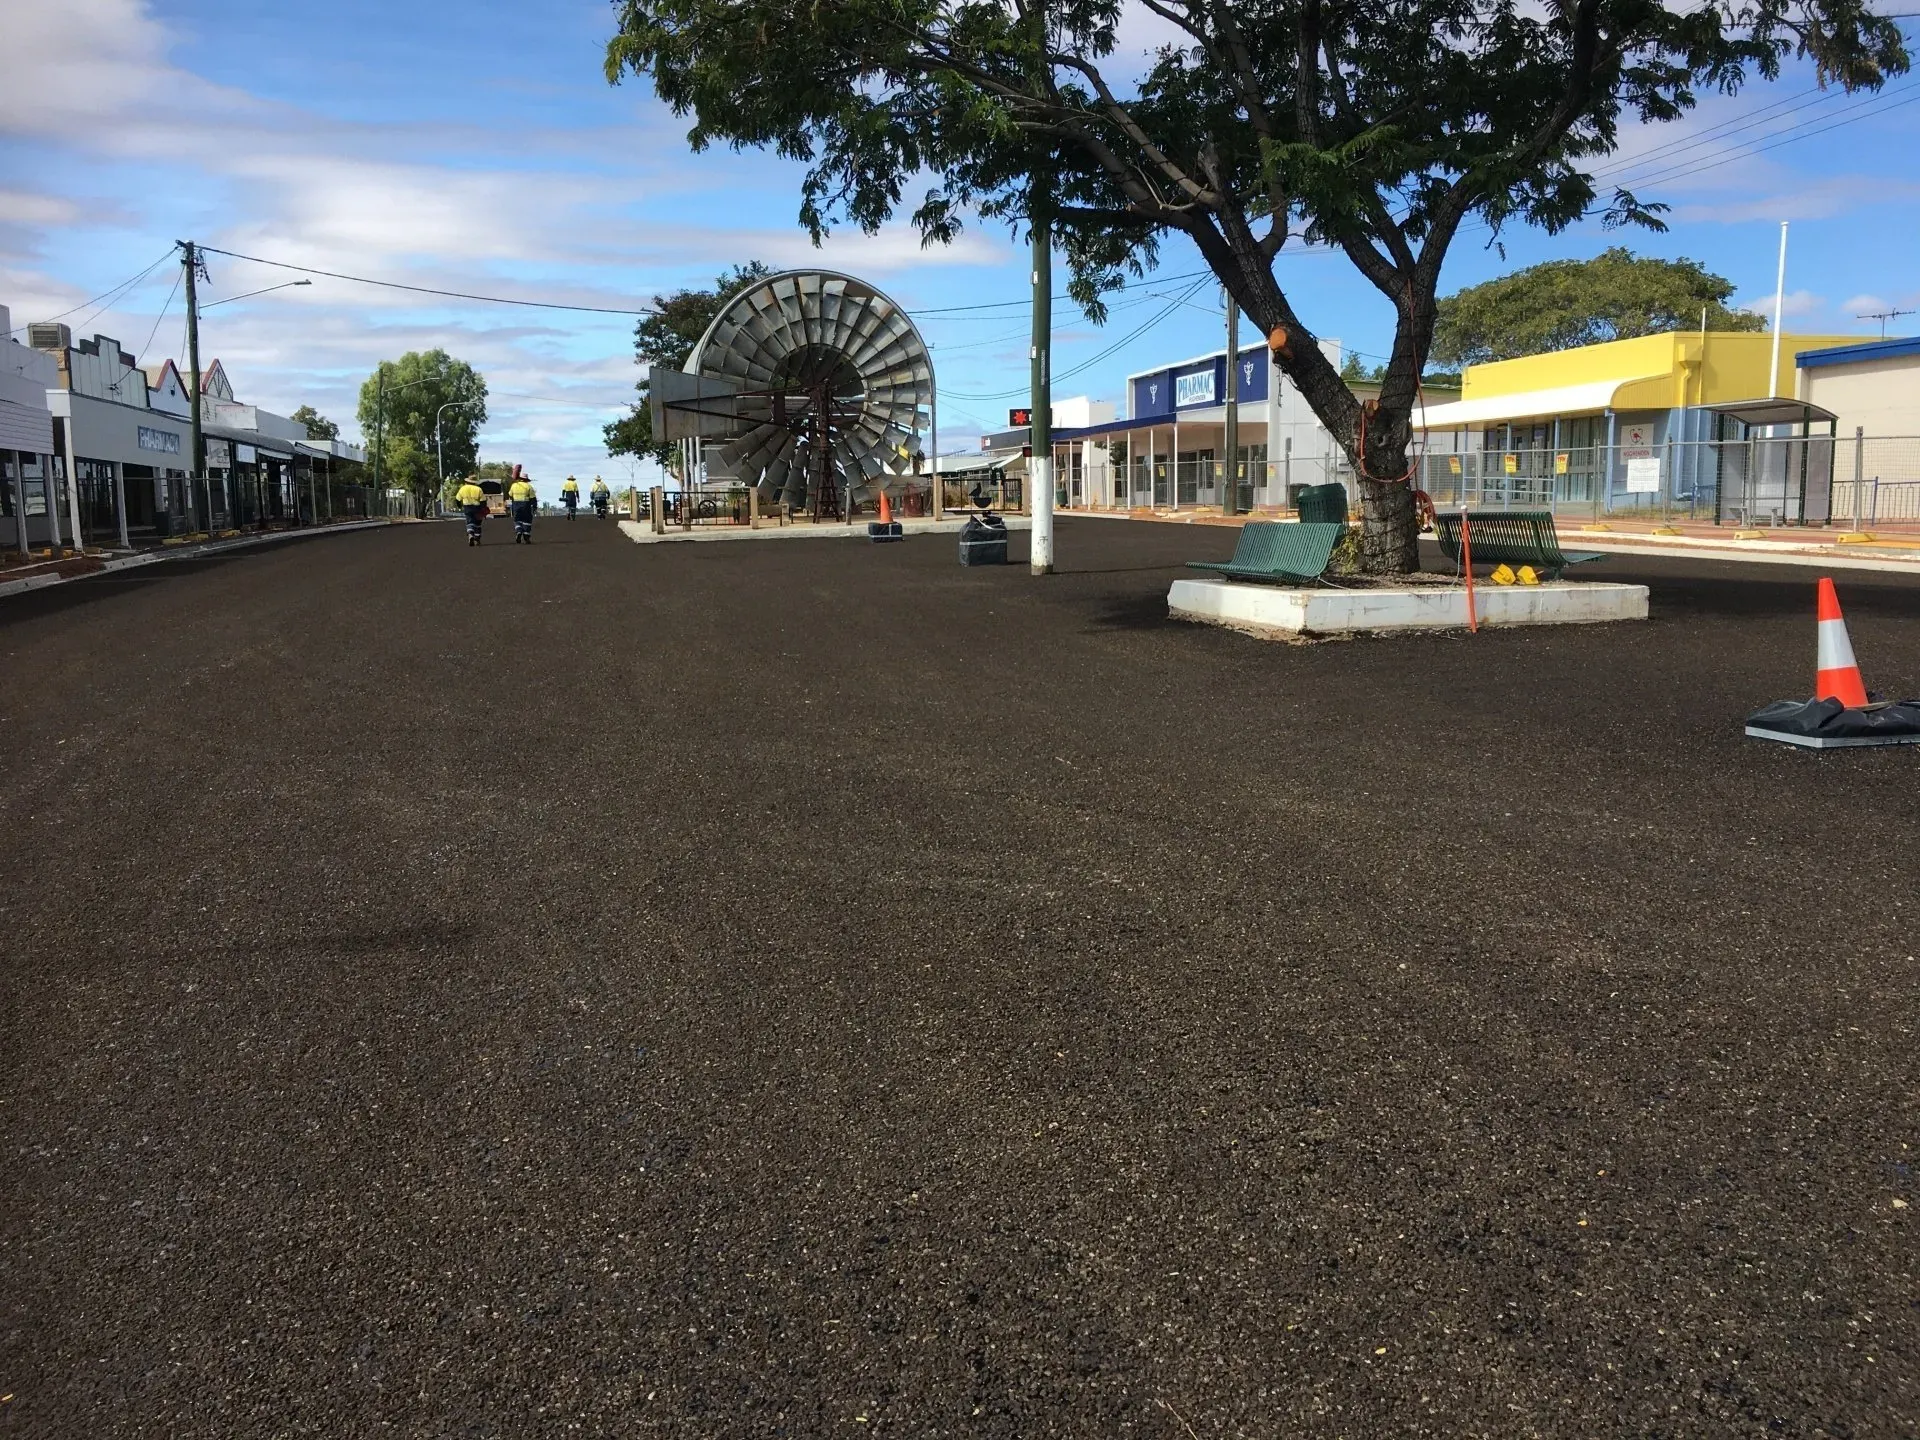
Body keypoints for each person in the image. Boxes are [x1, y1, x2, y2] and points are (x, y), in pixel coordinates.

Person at [455, 475, 487, 546]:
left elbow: (457, 499)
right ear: (475, 482)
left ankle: (470, 534)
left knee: (469, 522)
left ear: (467, 481)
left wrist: (459, 506)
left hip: (467, 508)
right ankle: (477, 539)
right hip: (477, 508)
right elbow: (483, 501)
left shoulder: (463, 489)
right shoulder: (478, 489)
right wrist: (483, 509)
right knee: (478, 524)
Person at [508, 472, 537, 544]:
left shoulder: (514, 485)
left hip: (516, 505)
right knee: (527, 520)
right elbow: (533, 498)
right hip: (526, 505)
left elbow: (510, 495)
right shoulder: (528, 486)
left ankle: (519, 531)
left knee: (517, 520)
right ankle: (526, 536)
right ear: (526, 479)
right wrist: (534, 506)